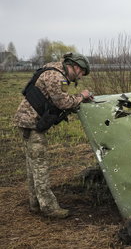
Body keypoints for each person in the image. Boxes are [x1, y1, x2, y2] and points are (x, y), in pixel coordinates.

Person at [14, 52, 93, 218]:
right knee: (40, 166)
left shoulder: (52, 69)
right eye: (81, 73)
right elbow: (63, 102)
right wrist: (82, 96)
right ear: (76, 67)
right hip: (32, 123)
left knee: (33, 165)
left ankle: (35, 204)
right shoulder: (58, 77)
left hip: (27, 121)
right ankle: (49, 208)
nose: (79, 78)